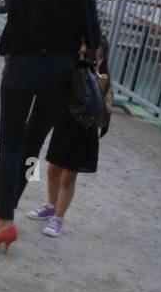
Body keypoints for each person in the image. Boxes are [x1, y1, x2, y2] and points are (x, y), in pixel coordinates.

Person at [0, 0, 102, 253]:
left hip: (22, 65)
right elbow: (93, 35)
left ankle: (5, 218)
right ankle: (8, 207)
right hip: (60, 72)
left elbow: (12, 10)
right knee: (33, 145)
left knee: (9, 146)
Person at [29, 45, 111, 238]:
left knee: (69, 177)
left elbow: (106, 104)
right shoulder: (74, 68)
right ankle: (50, 206)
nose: (88, 56)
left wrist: (101, 92)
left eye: (94, 53)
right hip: (65, 124)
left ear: (103, 55)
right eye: (85, 52)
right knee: (52, 170)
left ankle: (59, 217)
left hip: (84, 131)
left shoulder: (102, 77)